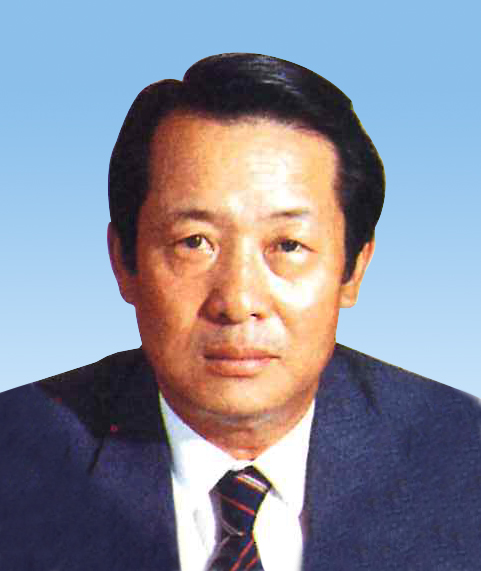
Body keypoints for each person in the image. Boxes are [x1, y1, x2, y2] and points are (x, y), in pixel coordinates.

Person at [1, 53, 480, 571]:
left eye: (288, 245)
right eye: (194, 242)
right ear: (124, 262)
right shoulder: (15, 456)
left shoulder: (462, 458)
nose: (238, 301)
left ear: (353, 269)